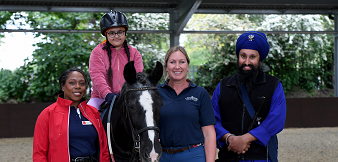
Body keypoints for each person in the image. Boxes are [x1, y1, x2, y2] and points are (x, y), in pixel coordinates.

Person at [212, 31, 287, 162]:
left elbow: (276, 120)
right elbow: (212, 119)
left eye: (252, 57)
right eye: (243, 56)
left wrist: (245, 139)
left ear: (260, 58)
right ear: (238, 56)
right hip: (228, 157)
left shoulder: (274, 85)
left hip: (261, 158)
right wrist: (230, 138)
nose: (247, 62)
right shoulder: (223, 85)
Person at [33, 67, 110, 162]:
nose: (78, 86)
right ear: (62, 86)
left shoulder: (94, 112)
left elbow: (104, 149)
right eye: (72, 83)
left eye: (82, 83)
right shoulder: (47, 114)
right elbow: (39, 154)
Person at [157, 46, 217, 162]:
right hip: (162, 156)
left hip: (193, 156)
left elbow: (209, 133)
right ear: (166, 66)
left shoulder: (200, 93)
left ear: (188, 66)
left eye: (182, 62)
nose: (177, 66)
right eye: (172, 62)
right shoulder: (156, 93)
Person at [88, 10, 144, 110]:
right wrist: (107, 94)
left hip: (129, 98)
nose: (116, 36)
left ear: (125, 32)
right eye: (112, 33)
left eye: (120, 32)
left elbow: (138, 76)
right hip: (101, 98)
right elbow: (97, 75)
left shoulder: (134, 53)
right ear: (106, 34)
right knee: (86, 118)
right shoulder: (97, 52)